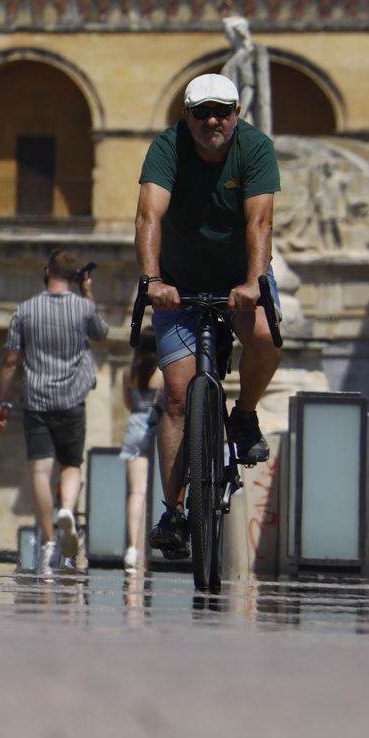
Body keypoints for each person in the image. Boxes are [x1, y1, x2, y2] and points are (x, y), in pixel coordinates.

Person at [135, 72, 281, 560]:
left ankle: (244, 416)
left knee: (264, 337)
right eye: (202, 112)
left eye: (222, 112)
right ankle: (173, 512)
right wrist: (153, 281)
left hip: (239, 276)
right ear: (187, 115)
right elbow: (148, 216)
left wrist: (253, 283)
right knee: (177, 396)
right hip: (178, 283)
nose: (212, 121)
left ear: (237, 113)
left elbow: (260, 220)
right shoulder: (168, 147)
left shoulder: (254, 148)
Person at [0, 248, 109, 572]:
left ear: (47, 272)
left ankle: (47, 543)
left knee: (40, 471)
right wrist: (88, 292)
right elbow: (101, 332)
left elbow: (10, 361)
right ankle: (67, 510)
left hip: (37, 399)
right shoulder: (83, 308)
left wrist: (2, 401)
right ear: (75, 277)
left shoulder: (25, 310)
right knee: (71, 464)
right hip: (72, 398)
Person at [120, 337, 164, 570]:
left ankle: (132, 547)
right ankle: (153, 546)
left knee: (136, 492)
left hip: (135, 425)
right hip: (156, 427)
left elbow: (129, 404)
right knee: (158, 488)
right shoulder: (162, 373)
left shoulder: (129, 373)